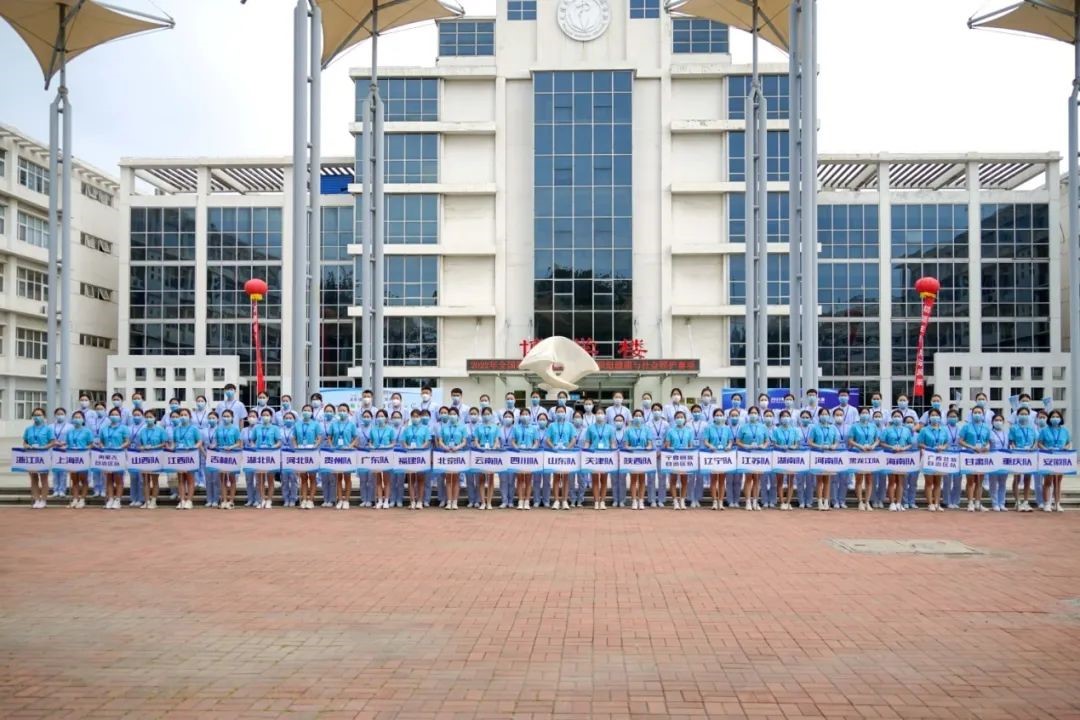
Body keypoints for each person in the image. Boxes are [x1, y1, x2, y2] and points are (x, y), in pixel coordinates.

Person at [59, 410, 95, 509]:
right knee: (74, 479)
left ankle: (82, 499)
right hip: (72, 457)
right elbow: (67, 443)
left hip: (83, 457)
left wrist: (85, 448)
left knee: (83, 479)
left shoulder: (87, 431)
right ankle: (75, 499)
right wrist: (63, 446)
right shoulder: (70, 432)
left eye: (79, 417)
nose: (77, 419)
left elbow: (91, 444)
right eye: (75, 417)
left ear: (83, 419)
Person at [95, 409, 130, 510]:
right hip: (107, 456)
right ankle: (110, 499)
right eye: (112, 414)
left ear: (120, 416)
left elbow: (127, 441)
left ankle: (117, 500)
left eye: (116, 414)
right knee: (109, 479)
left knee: (118, 478)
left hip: (119, 455)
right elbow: (101, 441)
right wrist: (102, 446)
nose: (114, 416)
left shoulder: (124, 428)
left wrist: (120, 447)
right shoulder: (105, 428)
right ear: (109, 416)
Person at [880, 411, 914, 512]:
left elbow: (910, 444)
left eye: (899, 416)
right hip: (890, 457)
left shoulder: (906, 430)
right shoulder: (887, 430)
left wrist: (904, 448)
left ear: (902, 418)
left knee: (900, 481)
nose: (897, 418)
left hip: (902, 457)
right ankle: (892, 503)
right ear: (892, 418)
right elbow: (881, 442)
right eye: (895, 416)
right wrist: (891, 447)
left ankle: (899, 502)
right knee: (891, 481)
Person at [545, 403, 577, 510]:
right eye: (558, 411)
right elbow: (547, 439)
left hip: (566, 454)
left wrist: (568, 448)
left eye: (562, 411)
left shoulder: (570, 425)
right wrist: (553, 447)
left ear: (565, 413)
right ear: (555, 413)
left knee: (565, 478)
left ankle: (564, 500)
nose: (560, 413)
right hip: (555, 454)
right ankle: (556, 500)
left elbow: (573, 439)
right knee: (556, 478)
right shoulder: (551, 426)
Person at [1038, 410, 1071, 512]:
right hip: (1048, 457)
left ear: (1061, 419)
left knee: (1058, 482)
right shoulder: (1044, 430)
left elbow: (1068, 443)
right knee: (1048, 481)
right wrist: (1045, 449)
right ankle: (1047, 503)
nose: (1055, 418)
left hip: (1060, 458)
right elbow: (1039, 443)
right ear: (1049, 419)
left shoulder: (1065, 431)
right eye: (1053, 417)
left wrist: (1066, 448)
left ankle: (1057, 503)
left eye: (1057, 417)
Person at [22, 408, 56, 509]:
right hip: (31, 456)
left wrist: (44, 447)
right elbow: (24, 442)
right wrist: (26, 446)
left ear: (44, 417)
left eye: (39, 415)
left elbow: (52, 442)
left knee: (44, 478)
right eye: (35, 415)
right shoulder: (28, 429)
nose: (37, 417)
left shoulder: (48, 429)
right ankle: (36, 499)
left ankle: (43, 500)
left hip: (43, 455)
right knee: (33, 478)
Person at [959, 405, 991, 512]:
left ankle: (978, 503)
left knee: (979, 481)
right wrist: (972, 447)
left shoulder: (986, 427)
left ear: (983, 414)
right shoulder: (966, 427)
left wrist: (986, 446)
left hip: (982, 456)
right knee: (970, 481)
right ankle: (970, 503)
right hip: (970, 455)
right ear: (972, 414)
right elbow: (960, 441)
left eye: (979, 412)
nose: (977, 414)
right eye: (975, 412)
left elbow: (988, 441)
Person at [917, 408, 949, 512]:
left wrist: (943, 447)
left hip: (939, 457)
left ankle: (937, 503)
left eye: (936, 415)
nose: (934, 417)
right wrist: (928, 448)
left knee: (938, 482)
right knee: (929, 482)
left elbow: (947, 442)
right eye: (932, 415)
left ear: (940, 417)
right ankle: (930, 503)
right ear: (929, 418)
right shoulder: (924, 430)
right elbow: (919, 443)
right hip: (928, 457)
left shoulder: (944, 430)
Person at [327, 404, 358, 510]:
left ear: (348, 412)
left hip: (347, 453)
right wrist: (331, 446)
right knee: (338, 478)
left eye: (344, 410)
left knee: (347, 477)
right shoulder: (333, 424)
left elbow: (356, 437)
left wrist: (350, 446)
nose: (342, 412)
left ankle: (346, 500)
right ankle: (340, 499)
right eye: (340, 410)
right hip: (336, 453)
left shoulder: (351, 424)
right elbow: (329, 437)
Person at [848, 407, 879, 511]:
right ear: (859, 414)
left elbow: (877, 439)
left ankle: (867, 502)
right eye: (863, 413)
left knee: (869, 479)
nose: (865, 414)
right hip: (858, 454)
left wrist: (873, 446)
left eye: (866, 413)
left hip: (870, 454)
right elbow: (850, 440)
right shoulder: (854, 426)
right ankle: (860, 501)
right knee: (859, 479)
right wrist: (859, 446)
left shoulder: (873, 426)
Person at [737, 408, 769, 511]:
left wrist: (764, 446)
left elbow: (767, 440)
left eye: (755, 413)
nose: (753, 415)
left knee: (757, 479)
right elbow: (738, 441)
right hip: (747, 455)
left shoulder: (763, 427)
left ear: (758, 415)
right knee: (748, 478)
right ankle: (748, 501)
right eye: (751, 413)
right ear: (748, 415)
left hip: (759, 455)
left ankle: (755, 501)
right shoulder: (743, 427)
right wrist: (745, 446)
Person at [584, 407, 616, 509]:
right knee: (595, 480)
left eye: (602, 413)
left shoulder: (610, 428)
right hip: (594, 455)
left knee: (604, 479)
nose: (600, 415)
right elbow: (587, 442)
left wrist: (614, 453)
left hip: (606, 455)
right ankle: (596, 501)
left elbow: (612, 442)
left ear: (605, 415)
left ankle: (602, 501)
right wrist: (585, 452)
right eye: (598, 413)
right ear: (595, 415)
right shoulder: (590, 428)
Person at [136, 410, 169, 509]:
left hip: (156, 456)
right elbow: (139, 444)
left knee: (155, 480)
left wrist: (154, 447)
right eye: (146, 417)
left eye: (150, 417)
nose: (148, 419)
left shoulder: (160, 430)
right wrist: (142, 447)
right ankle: (146, 500)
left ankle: (153, 501)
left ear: (155, 418)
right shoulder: (142, 431)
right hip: (144, 457)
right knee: (145, 480)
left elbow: (164, 443)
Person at [171, 409, 202, 510]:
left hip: (190, 456)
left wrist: (193, 447)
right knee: (180, 479)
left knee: (190, 479)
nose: (183, 417)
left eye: (185, 415)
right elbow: (174, 442)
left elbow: (199, 442)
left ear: (189, 417)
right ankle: (182, 500)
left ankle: (189, 500)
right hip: (179, 456)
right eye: (181, 415)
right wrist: (171, 449)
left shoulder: (194, 429)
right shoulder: (176, 429)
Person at [703, 408, 734, 511]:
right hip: (713, 455)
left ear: (724, 417)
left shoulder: (727, 428)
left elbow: (730, 441)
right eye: (717, 415)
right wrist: (710, 445)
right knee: (713, 480)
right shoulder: (709, 428)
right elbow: (705, 441)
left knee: (722, 480)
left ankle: (721, 501)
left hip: (724, 456)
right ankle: (714, 501)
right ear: (714, 417)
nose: (719, 417)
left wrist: (729, 445)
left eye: (721, 415)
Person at [622, 409, 653, 510]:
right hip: (632, 457)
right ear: (633, 417)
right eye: (636, 415)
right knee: (633, 479)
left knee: (642, 480)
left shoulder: (647, 429)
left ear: (643, 418)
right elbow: (626, 445)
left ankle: (641, 500)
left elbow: (650, 443)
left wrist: (648, 447)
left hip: (644, 457)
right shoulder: (628, 430)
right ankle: (634, 500)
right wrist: (630, 448)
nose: (638, 417)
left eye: (640, 416)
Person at [664, 410, 695, 510]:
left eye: (681, 417)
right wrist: (671, 448)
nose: (680, 419)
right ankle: (675, 501)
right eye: (678, 417)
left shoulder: (689, 431)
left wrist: (689, 451)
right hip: (674, 458)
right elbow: (667, 445)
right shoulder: (670, 431)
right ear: (675, 419)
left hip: (685, 458)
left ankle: (682, 500)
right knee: (673, 480)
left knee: (684, 480)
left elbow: (690, 445)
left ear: (685, 419)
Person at [1009, 406, 1038, 512]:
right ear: (1017, 416)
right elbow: (1011, 441)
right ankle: (1017, 501)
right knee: (1017, 478)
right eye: (1022, 414)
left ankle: (1026, 501)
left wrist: (1033, 448)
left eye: (1026, 414)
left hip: (1029, 455)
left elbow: (1036, 441)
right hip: (1018, 454)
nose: (1024, 416)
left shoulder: (1032, 428)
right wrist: (1015, 448)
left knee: (1027, 478)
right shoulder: (1013, 428)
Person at [438, 407, 468, 510]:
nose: (452, 416)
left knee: (456, 478)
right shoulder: (444, 427)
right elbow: (440, 440)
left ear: (458, 416)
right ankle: (449, 501)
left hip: (457, 454)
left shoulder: (462, 427)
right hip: (447, 454)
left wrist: (457, 447)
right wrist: (445, 447)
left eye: (454, 414)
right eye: (450, 414)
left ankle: (455, 501)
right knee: (448, 478)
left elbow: (464, 441)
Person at [401, 409, 432, 510]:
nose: (415, 418)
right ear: (411, 417)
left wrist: (421, 448)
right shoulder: (407, 429)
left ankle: (419, 501)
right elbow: (403, 441)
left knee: (421, 479)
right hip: (410, 456)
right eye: (413, 416)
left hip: (421, 455)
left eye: (417, 416)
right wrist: (407, 447)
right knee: (411, 479)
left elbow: (427, 441)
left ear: (420, 417)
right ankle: (412, 501)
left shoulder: (425, 429)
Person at [471, 407, 500, 511]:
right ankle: (483, 502)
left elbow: (497, 440)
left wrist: (494, 448)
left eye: (488, 414)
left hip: (491, 453)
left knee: (491, 478)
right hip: (481, 453)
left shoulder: (495, 427)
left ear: (491, 415)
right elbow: (476, 440)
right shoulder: (478, 428)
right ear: (481, 415)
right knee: (481, 479)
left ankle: (489, 502)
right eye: (484, 414)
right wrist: (479, 447)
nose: (486, 416)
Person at [212, 409, 242, 509]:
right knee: (223, 479)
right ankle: (224, 500)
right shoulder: (218, 429)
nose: (226, 418)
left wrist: (231, 447)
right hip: (221, 454)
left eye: (228, 416)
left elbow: (239, 443)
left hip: (232, 454)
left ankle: (231, 500)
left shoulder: (235, 429)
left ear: (232, 418)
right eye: (224, 416)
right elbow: (216, 442)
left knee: (232, 478)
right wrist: (213, 446)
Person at [771, 409, 801, 510]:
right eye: (783, 416)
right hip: (780, 457)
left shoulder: (794, 430)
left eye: (787, 416)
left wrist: (794, 447)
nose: (785, 418)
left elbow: (797, 443)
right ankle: (782, 502)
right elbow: (774, 443)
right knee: (780, 481)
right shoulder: (776, 430)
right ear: (780, 419)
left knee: (790, 481)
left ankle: (788, 502)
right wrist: (780, 446)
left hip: (791, 457)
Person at [512, 411, 542, 510]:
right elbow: (513, 441)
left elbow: (536, 441)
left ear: (529, 416)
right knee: (520, 479)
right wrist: (517, 448)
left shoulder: (534, 428)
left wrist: (532, 449)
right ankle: (520, 500)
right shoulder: (516, 428)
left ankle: (527, 501)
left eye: (526, 414)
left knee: (528, 480)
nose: (524, 416)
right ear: (520, 416)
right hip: (519, 456)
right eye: (523, 414)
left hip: (529, 456)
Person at [646, 403, 669, 508]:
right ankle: (652, 499)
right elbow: (647, 439)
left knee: (662, 477)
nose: (657, 411)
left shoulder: (666, 424)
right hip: (651, 453)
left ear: (661, 411)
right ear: (651, 411)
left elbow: (667, 439)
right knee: (651, 477)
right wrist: (653, 451)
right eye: (655, 410)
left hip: (662, 453)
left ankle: (661, 499)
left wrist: (661, 450)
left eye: (658, 409)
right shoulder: (647, 424)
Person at [987, 413, 1010, 512]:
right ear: (992, 422)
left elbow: (1009, 445)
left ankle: (1002, 503)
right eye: (996, 420)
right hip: (993, 460)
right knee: (993, 482)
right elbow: (987, 445)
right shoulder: (990, 433)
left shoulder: (1006, 433)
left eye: (1000, 420)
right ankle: (995, 503)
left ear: (1003, 422)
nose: (998, 422)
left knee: (1003, 483)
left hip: (1004, 460)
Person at [942, 408, 964, 509]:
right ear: (947, 418)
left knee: (958, 480)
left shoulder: (961, 429)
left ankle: (956, 501)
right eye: (950, 416)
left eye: (954, 416)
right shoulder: (943, 429)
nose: (953, 418)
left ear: (958, 418)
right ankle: (947, 500)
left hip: (958, 455)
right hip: (947, 455)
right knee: (947, 480)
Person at [49, 407, 71, 498]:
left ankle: (62, 489)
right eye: (58, 414)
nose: (60, 415)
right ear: (55, 415)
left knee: (63, 471)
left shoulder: (70, 426)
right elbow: (49, 438)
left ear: (65, 415)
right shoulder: (50, 426)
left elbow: (71, 438)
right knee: (55, 471)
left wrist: (65, 443)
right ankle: (55, 489)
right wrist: (55, 442)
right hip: (54, 450)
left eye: (62, 414)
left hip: (64, 450)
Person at [201, 412, 222, 508]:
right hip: (206, 456)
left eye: (213, 418)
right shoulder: (204, 430)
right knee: (208, 479)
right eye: (209, 418)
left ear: (217, 419)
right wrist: (205, 454)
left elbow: (222, 442)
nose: (211, 420)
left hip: (217, 456)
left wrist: (216, 445)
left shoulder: (220, 429)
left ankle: (216, 499)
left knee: (216, 479)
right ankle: (209, 499)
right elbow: (200, 444)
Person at [499, 410, 518, 508]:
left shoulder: (516, 429)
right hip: (502, 456)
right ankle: (504, 500)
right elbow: (497, 441)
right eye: (506, 417)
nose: (507, 418)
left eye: (509, 417)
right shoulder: (499, 429)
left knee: (511, 480)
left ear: (513, 419)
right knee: (503, 480)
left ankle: (511, 500)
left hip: (512, 457)